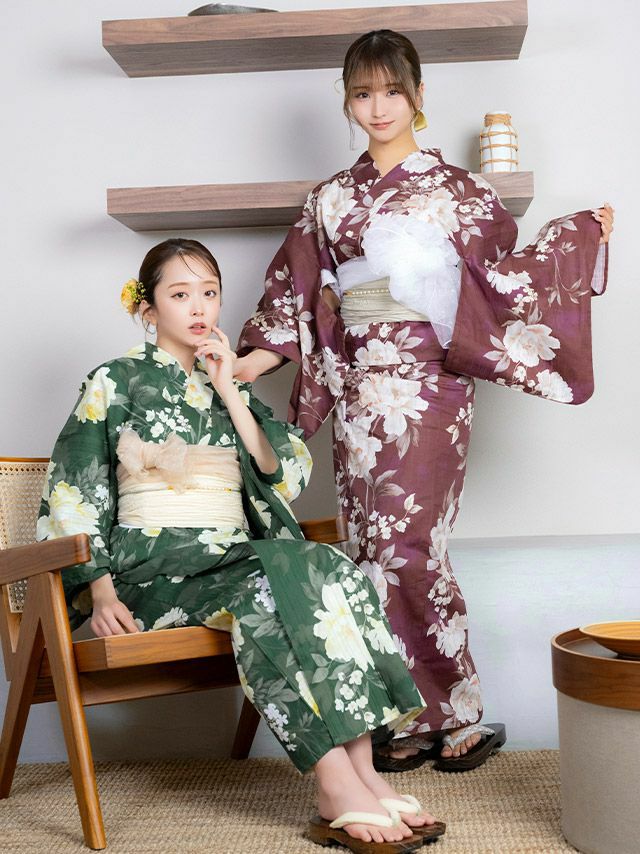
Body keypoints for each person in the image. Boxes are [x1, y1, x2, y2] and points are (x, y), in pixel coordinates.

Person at [234, 29, 614, 772]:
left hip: (428, 386)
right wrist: (245, 363)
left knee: (411, 546)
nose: (378, 108)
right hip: (358, 391)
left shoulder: (460, 192)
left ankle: (457, 708)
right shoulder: (330, 200)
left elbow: (501, 282)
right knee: (368, 553)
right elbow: (296, 296)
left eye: (391, 91)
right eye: (362, 94)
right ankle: (402, 715)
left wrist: (581, 238)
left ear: (417, 95)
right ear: (347, 100)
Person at [36, 237, 450, 852]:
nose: (198, 307)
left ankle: (364, 773)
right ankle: (335, 783)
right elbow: (74, 487)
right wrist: (98, 590)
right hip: (150, 575)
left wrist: (230, 389)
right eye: (180, 294)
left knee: (331, 568)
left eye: (209, 293)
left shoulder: (228, 386)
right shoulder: (113, 380)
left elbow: (284, 474)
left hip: (228, 561)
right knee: (270, 586)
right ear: (148, 308)